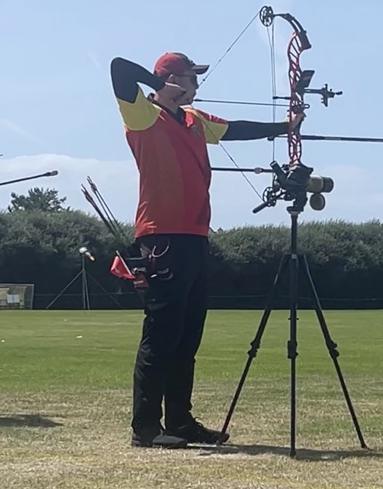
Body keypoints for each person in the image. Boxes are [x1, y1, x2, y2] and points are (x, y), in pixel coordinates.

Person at [111, 52, 300, 449]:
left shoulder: (195, 121)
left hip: (195, 236)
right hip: (162, 237)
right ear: (171, 80)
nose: (197, 84)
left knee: (187, 336)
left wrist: (286, 126)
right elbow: (119, 69)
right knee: (161, 334)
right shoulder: (143, 114)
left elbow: (238, 129)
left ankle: (179, 421)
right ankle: (145, 427)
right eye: (190, 77)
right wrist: (157, 85)